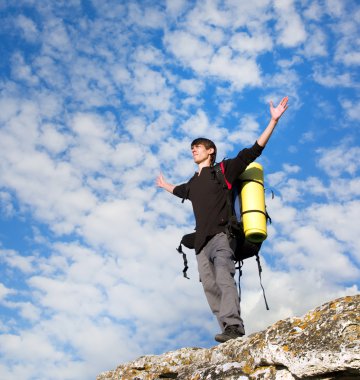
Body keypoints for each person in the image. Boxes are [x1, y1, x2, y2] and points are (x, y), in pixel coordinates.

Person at [156, 97, 289, 343]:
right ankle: (228, 330)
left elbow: (253, 150)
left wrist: (273, 120)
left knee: (223, 278)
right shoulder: (193, 184)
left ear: (210, 151)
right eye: (192, 148)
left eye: (198, 146)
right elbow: (180, 191)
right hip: (201, 244)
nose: (193, 149)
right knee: (210, 287)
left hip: (221, 237)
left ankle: (235, 326)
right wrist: (165, 185)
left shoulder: (223, 171)